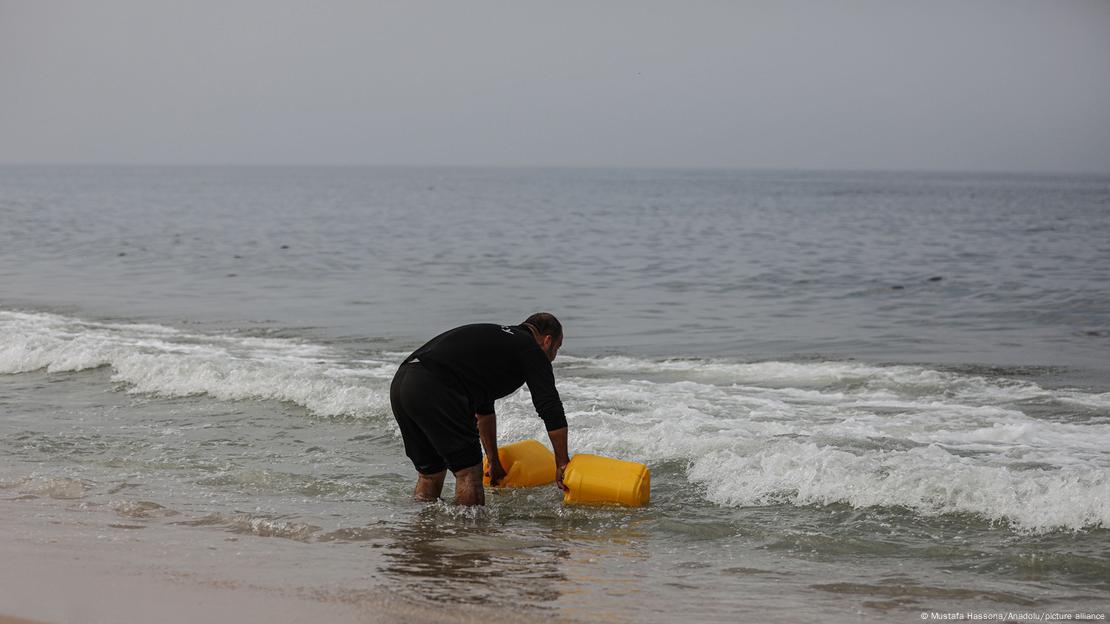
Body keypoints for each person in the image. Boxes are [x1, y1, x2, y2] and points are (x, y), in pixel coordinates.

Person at [389, 312, 569, 505]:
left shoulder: (499, 343)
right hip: (435, 387)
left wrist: (493, 461)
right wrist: (562, 463)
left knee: (430, 473)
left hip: (403, 383)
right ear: (548, 340)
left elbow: (483, 411)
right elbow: (550, 407)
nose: (553, 357)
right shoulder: (530, 349)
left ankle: (423, 529)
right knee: (468, 473)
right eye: (557, 348)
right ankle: (470, 533)